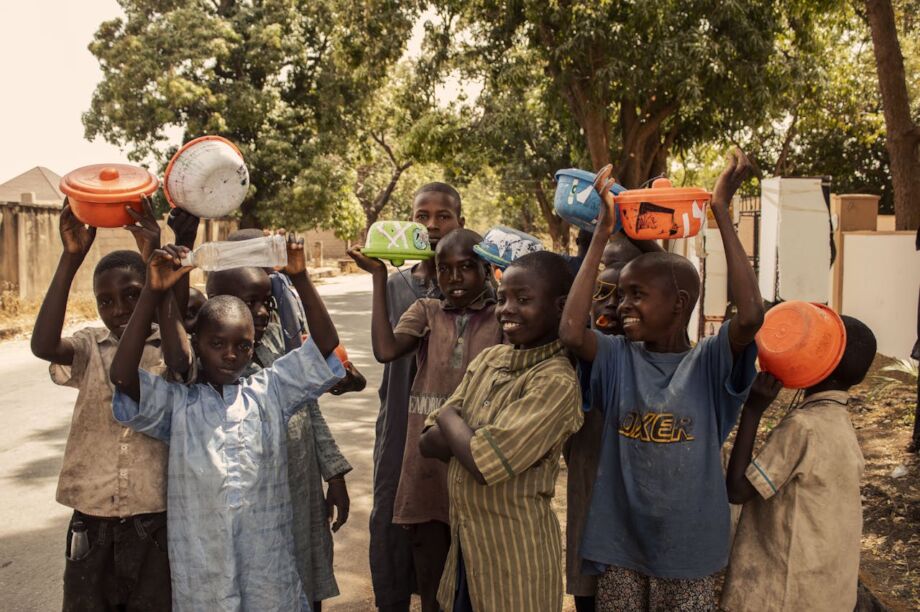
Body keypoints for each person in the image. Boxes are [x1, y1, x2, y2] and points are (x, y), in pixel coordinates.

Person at [559, 149, 764, 611]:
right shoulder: (617, 358)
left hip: (688, 553)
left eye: (637, 295)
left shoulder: (709, 363)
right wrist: (602, 233)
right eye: (621, 295)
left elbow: (751, 315)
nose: (622, 306)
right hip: (620, 545)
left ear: (679, 304)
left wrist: (721, 211)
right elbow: (571, 332)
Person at [109, 244, 344, 611]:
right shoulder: (178, 405)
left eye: (243, 346)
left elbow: (325, 346)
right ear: (197, 344)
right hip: (202, 573)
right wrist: (152, 293)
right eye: (217, 343)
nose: (231, 354)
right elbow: (123, 378)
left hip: (269, 571)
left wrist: (300, 276)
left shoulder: (270, 390)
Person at [30, 201, 185, 611]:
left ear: (149, 287)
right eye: (106, 301)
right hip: (91, 520)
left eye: (132, 294)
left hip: (155, 520)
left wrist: (156, 270)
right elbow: (44, 345)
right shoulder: (90, 347)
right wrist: (71, 257)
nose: (119, 310)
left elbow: (183, 363)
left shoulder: (168, 345)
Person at [418, 251, 584, 612]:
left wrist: (447, 414)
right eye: (503, 298)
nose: (507, 309)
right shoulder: (490, 359)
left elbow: (483, 462)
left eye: (523, 300)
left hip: (514, 564)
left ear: (559, 306)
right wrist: (466, 433)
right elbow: (427, 442)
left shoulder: (555, 382)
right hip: (466, 556)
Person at [350, 228, 502, 612]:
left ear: (486, 269)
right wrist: (379, 277)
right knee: (431, 572)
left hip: (478, 463)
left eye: (466, 267)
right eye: (444, 269)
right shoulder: (426, 311)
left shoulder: (502, 316)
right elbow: (385, 350)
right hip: (426, 465)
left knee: (477, 576)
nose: (454, 278)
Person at [205, 239, 352, 612]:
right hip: (250, 503)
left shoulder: (276, 338)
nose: (261, 312)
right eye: (248, 302)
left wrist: (334, 473)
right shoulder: (209, 360)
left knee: (306, 575)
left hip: (300, 487)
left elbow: (308, 406)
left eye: (266, 302)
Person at [721, 316, 876, 612]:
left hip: (782, 595)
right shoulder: (840, 424)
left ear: (818, 361)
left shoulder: (803, 427)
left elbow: (737, 490)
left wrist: (753, 410)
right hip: (826, 594)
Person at [361, 182, 466, 612]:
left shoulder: (474, 286)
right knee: (392, 513)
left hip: (455, 426)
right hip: (400, 421)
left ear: (461, 221)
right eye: (422, 216)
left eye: (443, 216)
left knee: (448, 520)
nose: (433, 225)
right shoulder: (396, 286)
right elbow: (385, 348)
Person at [565, 241, 639, 612]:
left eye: (623, 295)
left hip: (634, 512)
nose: (611, 304)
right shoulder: (573, 354)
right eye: (601, 293)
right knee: (588, 589)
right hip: (589, 494)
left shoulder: (654, 356)